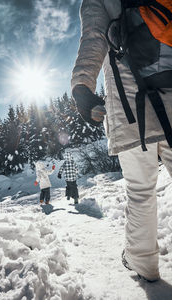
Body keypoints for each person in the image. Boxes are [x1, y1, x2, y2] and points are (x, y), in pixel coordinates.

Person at [71, 0, 172, 282]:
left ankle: (143, 263)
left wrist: (82, 85)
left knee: (140, 190)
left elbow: (93, 37)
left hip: (131, 107)